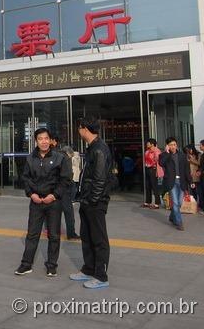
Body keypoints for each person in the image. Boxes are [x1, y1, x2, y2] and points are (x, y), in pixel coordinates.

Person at [15, 129, 72, 277]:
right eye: (40, 139)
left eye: (46, 138)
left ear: (50, 140)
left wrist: (54, 195)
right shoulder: (30, 158)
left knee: (53, 235)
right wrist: (31, 194)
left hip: (53, 202)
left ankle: (52, 265)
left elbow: (65, 179)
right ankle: (26, 264)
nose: (44, 141)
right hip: (36, 201)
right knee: (32, 234)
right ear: (36, 141)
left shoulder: (60, 157)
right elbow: (25, 178)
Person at [70, 118, 113, 289]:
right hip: (87, 200)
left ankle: (101, 276)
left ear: (85, 129)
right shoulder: (92, 148)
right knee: (87, 236)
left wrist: (93, 200)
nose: (78, 131)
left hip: (95, 202)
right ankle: (88, 269)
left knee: (98, 238)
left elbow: (100, 179)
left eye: (79, 128)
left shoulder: (100, 149)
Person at [160, 137, 194, 231]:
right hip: (171, 182)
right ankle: (179, 223)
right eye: (171, 145)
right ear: (167, 146)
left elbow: (187, 170)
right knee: (175, 203)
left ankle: (172, 217)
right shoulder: (164, 155)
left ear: (176, 145)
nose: (173, 146)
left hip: (182, 182)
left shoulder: (182, 155)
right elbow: (161, 163)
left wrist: (191, 181)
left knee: (179, 203)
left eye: (174, 144)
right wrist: (166, 153)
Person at [59, 145, 80, 240]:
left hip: (55, 191)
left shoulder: (55, 156)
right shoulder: (66, 158)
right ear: (69, 153)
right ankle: (71, 234)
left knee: (55, 214)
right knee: (69, 214)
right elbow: (68, 174)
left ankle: (52, 232)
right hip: (64, 191)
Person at [143, 139, 162, 209]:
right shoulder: (147, 151)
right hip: (147, 169)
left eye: (148, 143)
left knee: (154, 186)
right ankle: (148, 202)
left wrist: (153, 165)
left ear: (152, 144)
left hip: (153, 169)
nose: (147, 144)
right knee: (147, 186)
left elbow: (158, 160)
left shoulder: (157, 151)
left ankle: (157, 203)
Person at [185, 144, 201, 212]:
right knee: (192, 191)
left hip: (196, 176)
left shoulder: (198, 154)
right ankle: (194, 205)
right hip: (190, 176)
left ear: (192, 149)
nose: (188, 151)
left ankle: (200, 205)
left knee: (198, 191)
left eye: (189, 150)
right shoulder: (187, 155)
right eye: (187, 150)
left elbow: (199, 163)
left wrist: (191, 159)